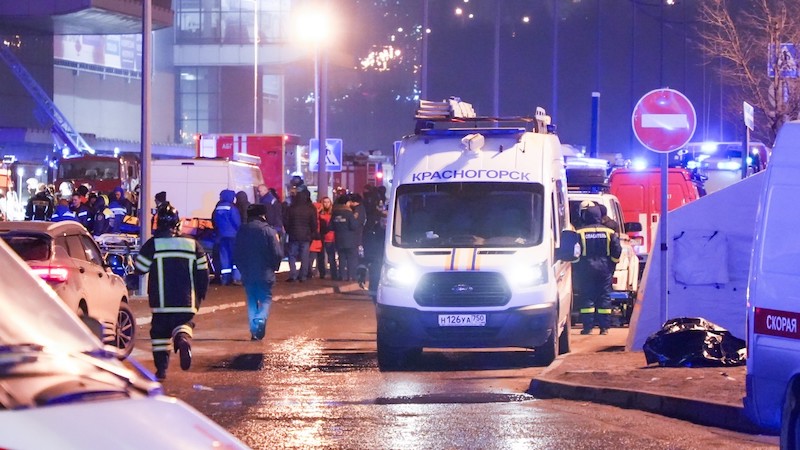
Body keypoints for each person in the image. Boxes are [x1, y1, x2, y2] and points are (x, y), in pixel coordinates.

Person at [134, 203, 209, 380]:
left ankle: (161, 370)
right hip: (186, 300)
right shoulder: (193, 244)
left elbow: (140, 268)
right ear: (177, 223)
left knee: (160, 334)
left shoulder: (154, 244)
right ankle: (182, 339)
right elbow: (203, 272)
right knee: (184, 324)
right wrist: (200, 294)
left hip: (161, 301)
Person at [234, 203, 283, 341]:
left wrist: (242, 268)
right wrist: (274, 267)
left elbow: (237, 253)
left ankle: (254, 332)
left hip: (248, 272)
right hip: (265, 271)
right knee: (265, 298)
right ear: (262, 215)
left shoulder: (242, 230)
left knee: (251, 299)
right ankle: (260, 319)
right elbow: (277, 253)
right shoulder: (269, 231)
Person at [573, 200, 622, 335]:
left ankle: (588, 327)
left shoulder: (579, 233)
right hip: (604, 269)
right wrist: (612, 263)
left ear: (585, 216)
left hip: (586, 270)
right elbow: (617, 250)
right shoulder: (609, 232)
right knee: (604, 297)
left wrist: (577, 266)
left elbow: (575, 252)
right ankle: (604, 328)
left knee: (587, 297)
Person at [284, 189, 318, 282]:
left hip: (293, 235)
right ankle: (303, 276)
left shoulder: (291, 208)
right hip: (306, 235)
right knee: (304, 256)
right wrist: (312, 232)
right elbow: (314, 223)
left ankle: (293, 275)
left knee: (292, 255)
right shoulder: (310, 209)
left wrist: (288, 231)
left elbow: (286, 221)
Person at [211, 189, 241, 286]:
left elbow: (214, 221)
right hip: (233, 236)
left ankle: (225, 279)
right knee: (236, 256)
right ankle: (236, 278)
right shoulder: (232, 208)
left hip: (221, 236)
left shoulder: (217, 208)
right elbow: (236, 222)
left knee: (225, 257)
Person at [331, 194, 358, 281]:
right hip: (349, 239)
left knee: (341, 257)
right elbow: (353, 226)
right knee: (350, 258)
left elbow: (331, 226)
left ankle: (341, 276)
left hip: (338, 238)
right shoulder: (349, 213)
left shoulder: (335, 213)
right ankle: (350, 276)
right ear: (346, 202)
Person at [317, 196, 337, 280]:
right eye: (324, 202)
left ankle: (334, 274)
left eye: (328, 202)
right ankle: (322, 273)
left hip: (331, 238)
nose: (326, 204)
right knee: (321, 257)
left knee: (331, 257)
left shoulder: (333, 213)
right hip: (321, 237)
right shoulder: (319, 213)